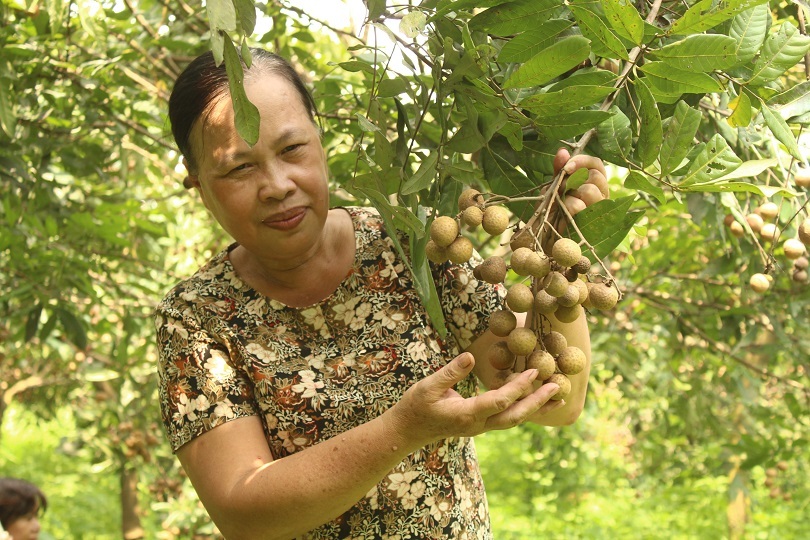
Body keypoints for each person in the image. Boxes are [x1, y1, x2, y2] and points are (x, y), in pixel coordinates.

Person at [155, 47, 609, 539]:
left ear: (319, 140)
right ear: (198, 185)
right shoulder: (195, 317)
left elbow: (556, 402)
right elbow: (243, 513)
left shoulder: (410, 243)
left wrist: (554, 253)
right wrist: (402, 430)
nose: (276, 186)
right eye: (240, 168)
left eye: (292, 150)